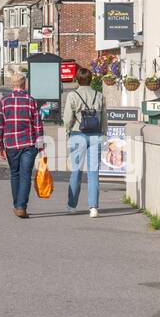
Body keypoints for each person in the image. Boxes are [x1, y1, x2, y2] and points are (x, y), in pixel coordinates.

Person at [0, 71, 44, 219]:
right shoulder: (31, 101)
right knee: (25, 175)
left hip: (11, 144)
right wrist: (41, 146)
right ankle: (21, 206)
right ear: (24, 84)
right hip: (29, 143)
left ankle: (17, 205)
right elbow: (38, 125)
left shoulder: (4, 101)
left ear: (12, 84)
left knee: (15, 174)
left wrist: (0, 146)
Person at [62, 68, 107, 217]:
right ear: (91, 79)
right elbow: (104, 118)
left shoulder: (72, 95)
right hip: (96, 135)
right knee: (93, 172)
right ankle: (93, 207)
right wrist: (104, 133)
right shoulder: (99, 95)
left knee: (76, 171)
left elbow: (68, 118)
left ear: (77, 79)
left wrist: (68, 131)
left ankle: (72, 205)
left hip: (77, 134)